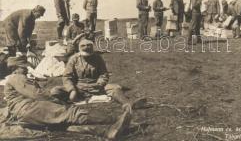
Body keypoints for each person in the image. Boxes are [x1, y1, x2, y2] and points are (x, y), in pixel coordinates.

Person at [4, 55, 132, 140]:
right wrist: (58, 102)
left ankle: (106, 132)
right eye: (23, 67)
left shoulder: (15, 78)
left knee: (63, 124)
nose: (26, 69)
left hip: (25, 112)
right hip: (29, 108)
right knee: (71, 113)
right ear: (16, 68)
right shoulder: (17, 78)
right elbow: (37, 94)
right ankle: (115, 119)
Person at [52, 39, 145, 111]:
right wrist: (72, 90)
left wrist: (99, 84)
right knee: (55, 90)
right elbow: (67, 77)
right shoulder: (74, 59)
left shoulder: (98, 58)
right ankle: (60, 107)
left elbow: (104, 74)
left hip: (96, 86)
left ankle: (127, 104)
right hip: (79, 88)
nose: (87, 56)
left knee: (115, 89)